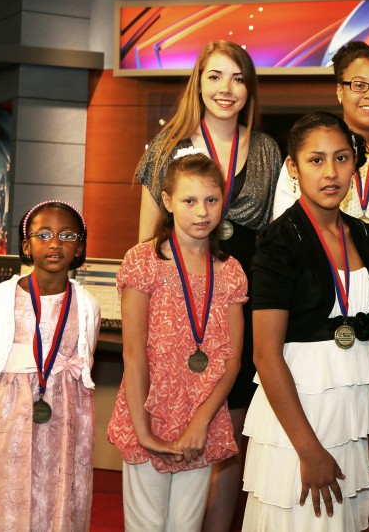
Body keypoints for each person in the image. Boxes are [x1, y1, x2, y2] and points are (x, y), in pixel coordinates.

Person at [133, 40, 281, 530]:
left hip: (242, 303)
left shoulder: (265, 149)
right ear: (198, 82)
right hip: (178, 312)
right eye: (215, 76)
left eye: (238, 78)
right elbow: (146, 242)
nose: (226, 89)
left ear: (250, 89)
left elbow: (275, 234)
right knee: (180, 434)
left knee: (229, 436)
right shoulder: (167, 147)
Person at [272, 40, 369, 532]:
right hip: (315, 298)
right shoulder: (310, 150)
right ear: (339, 90)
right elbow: (285, 234)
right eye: (358, 84)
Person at [242, 111, 369, 531]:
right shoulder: (278, 241)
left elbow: (364, 343)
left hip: (352, 417)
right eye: (316, 160)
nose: (331, 173)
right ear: (293, 167)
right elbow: (266, 356)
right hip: (299, 418)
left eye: (342, 159)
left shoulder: (364, 236)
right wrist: (308, 450)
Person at [109, 152, 246, 530]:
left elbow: (232, 360)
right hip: (149, 412)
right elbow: (134, 352)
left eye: (211, 200)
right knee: (146, 526)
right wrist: (142, 430)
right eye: (189, 200)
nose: (202, 211)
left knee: (185, 526)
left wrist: (201, 422)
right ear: (168, 202)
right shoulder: (143, 261)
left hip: (199, 421)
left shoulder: (231, 271)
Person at [0, 200, 100, 531]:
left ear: (80, 248)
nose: (55, 243)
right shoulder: (2, 295)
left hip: (61, 411)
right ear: (26, 246)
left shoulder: (87, 304)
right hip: (4, 410)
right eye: (43, 234)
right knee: (2, 486)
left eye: (67, 235)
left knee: (52, 488)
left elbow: (84, 356)